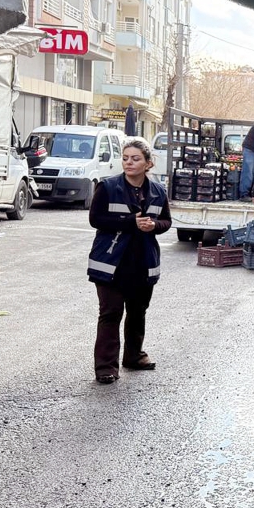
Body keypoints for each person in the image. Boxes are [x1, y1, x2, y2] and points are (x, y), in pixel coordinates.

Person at [87, 138, 171, 385]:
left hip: (142, 263)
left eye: (135, 159)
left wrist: (154, 225)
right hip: (110, 263)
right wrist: (129, 223)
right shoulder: (108, 187)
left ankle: (134, 356)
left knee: (137, 312)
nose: (128, 163)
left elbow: (166, 221)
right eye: (125, 158)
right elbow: (96, 219)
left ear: (148, 163)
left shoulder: (158, 192)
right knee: (111, 313)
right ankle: (106, 368)